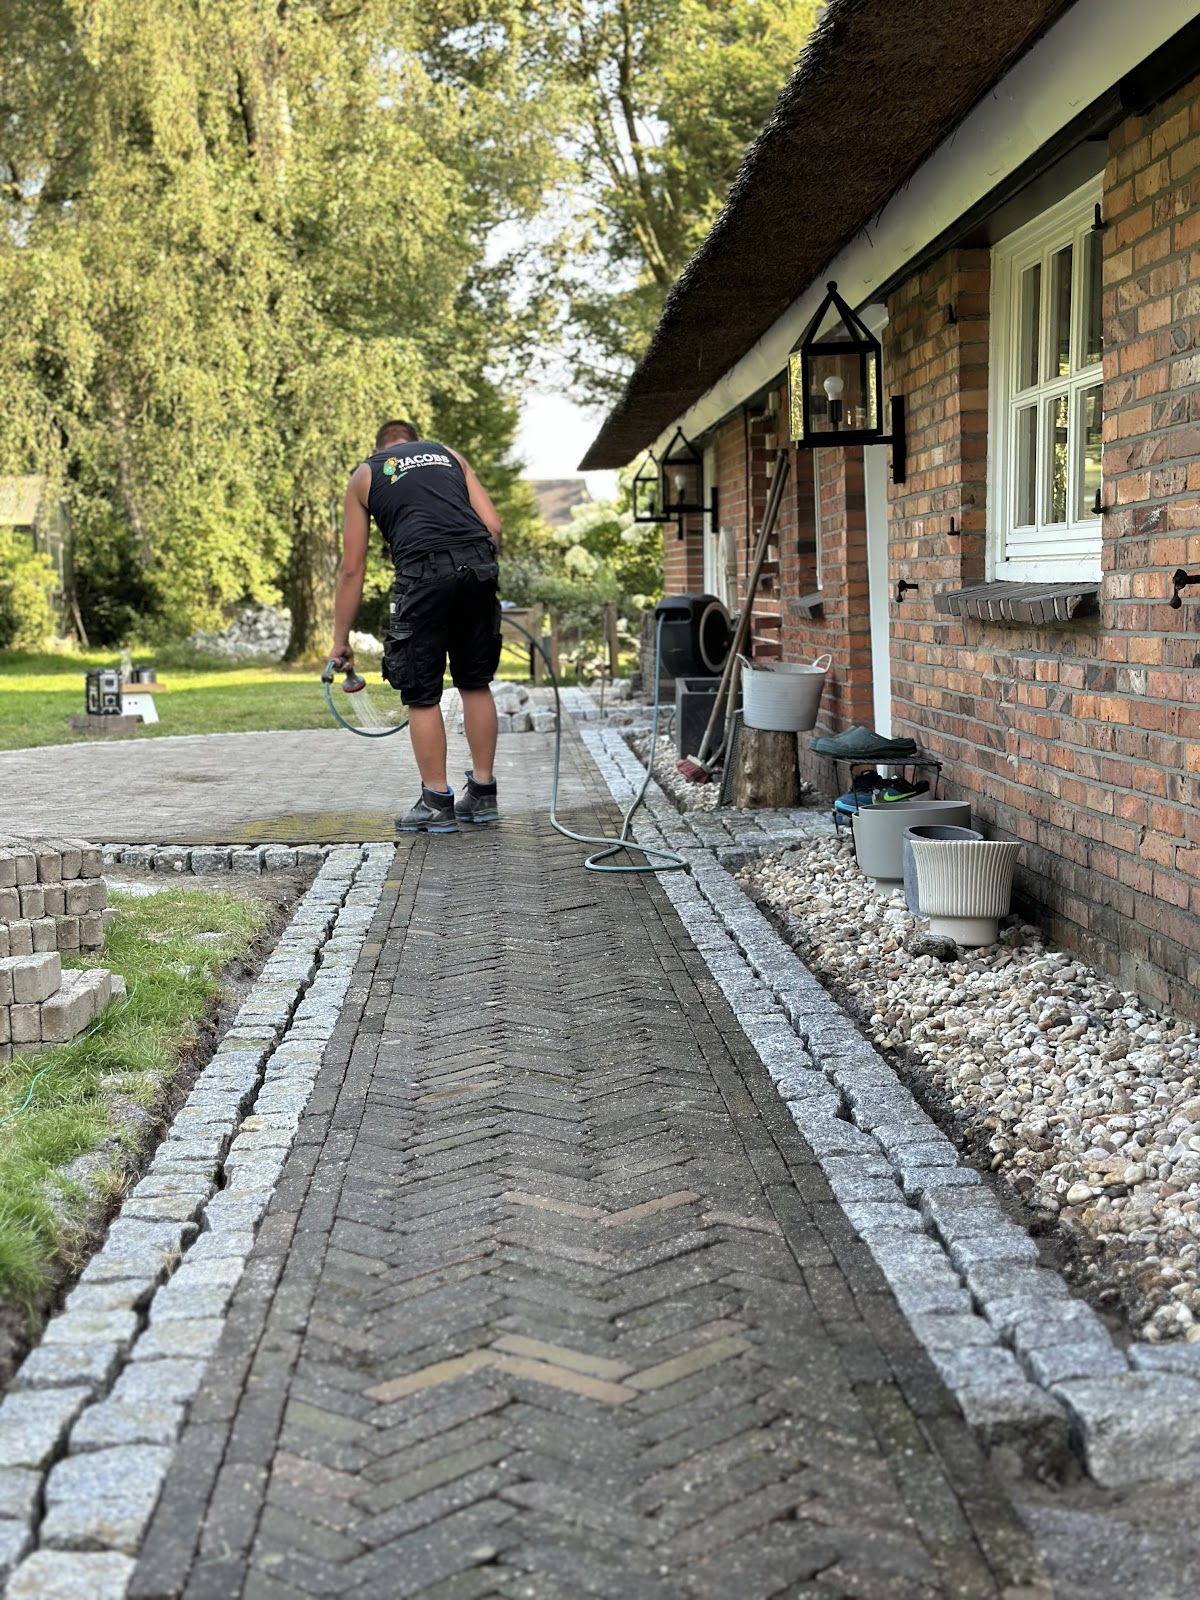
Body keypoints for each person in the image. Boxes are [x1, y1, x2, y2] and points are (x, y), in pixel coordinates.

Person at [329, 419, 504, 833]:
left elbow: (352, 568)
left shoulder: (366, 473)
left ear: (379, 449)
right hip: (479, 567)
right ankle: (482, 795)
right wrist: (477, 574)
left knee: (422, 693)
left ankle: (436, 803)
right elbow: (493, 527)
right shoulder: (449, 456)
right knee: (475, 682)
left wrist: (340, 639)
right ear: (417, 442)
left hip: (422, 576)